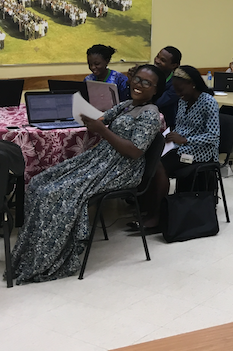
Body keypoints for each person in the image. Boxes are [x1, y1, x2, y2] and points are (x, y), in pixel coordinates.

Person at [9, 64, 165, 284]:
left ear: (156, 90)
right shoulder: (127, 105)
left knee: (54, 193)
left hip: (121, 168)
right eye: (137, 79)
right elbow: (102, 119)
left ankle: (48, 260)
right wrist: (85, 116)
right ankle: (29, 252)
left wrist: (103, 131)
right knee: (38, 182)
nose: (139, 84)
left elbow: (134, 151)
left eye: (147, 83)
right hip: (100, 160)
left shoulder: (150, 114)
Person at [137, 66, 220, 231]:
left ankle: (158, 216)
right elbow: (181, 125)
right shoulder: (183, 100)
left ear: (193, 84)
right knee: (149, 159)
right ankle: (148, 208)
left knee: (159, 166)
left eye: (181, 89)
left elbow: (214, 136)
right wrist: (171, 135)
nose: (178, 93)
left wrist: (186, 140)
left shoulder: (208, 102)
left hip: (201, 153)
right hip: (179, 147)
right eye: (175, 90)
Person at [151, 46, 182, 129]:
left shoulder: (176, 84)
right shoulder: (150, 75)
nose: (157, 61)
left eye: (163, 60)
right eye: (157, 56)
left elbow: (157, 103)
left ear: (174, 65)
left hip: (168, 127)